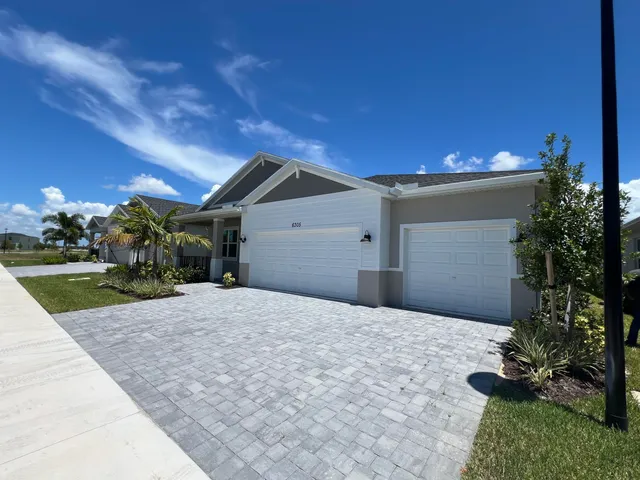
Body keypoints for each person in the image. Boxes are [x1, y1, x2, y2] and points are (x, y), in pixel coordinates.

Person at [625, 275, 640, 347]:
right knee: (636, 323)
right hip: (638, 305)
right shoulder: (636, 281)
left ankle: (631, 340)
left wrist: (631, 298)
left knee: (636, 324)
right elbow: (627, 288)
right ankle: (631, 341)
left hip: (636, 305)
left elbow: (627, 288)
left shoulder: (635, 281)